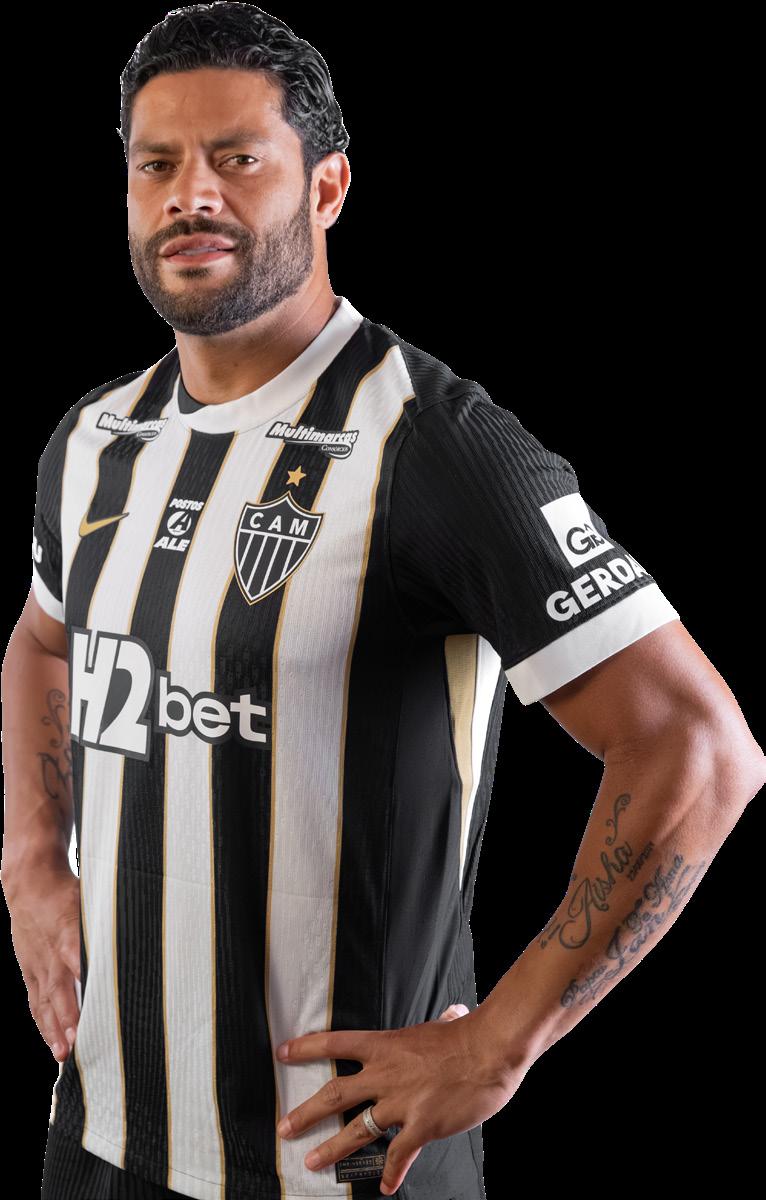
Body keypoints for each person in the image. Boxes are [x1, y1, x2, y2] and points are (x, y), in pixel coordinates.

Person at [2, 4, 763, 1198]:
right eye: (156, 164)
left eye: (235, 158)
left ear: (328, 188)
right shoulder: (97, 439)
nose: (190, 194)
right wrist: (32, 861)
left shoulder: (431, 443)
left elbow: (698, 749)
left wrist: (500, 1041)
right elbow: (44, 645)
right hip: (99, 1131)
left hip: (345, 1159)